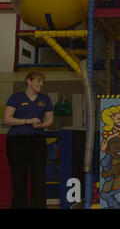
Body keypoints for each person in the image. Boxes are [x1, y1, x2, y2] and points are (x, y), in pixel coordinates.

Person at [3, 71, 54, 209]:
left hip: (37, 141)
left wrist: (41, 125)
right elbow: (7, 119)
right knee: (19, 176)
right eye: (38, 81)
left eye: (42, 82)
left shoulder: (45, 99)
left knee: (38, 177)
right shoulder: (16, 97)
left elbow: (49, 120)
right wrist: (27, 121)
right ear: (28, 81)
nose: (41, 84)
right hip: (16, 141)